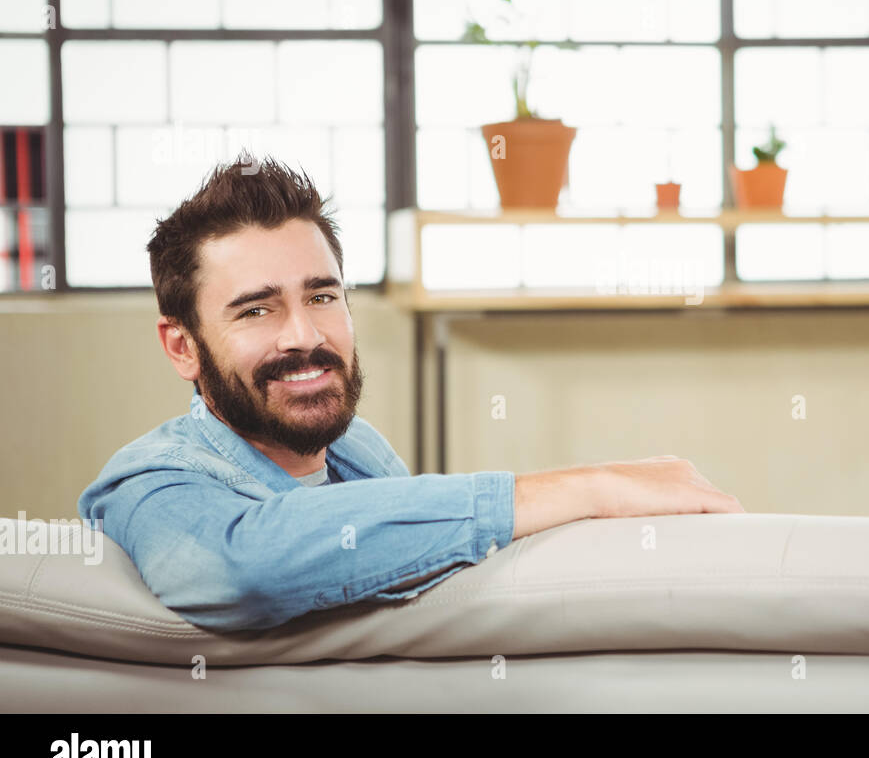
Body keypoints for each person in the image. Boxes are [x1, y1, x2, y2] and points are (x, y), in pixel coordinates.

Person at [78, 152, 743, 632]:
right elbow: (243, 568)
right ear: (182, 345)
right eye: (257, 310)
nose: (305, 335)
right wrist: (589, 487)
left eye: (322, 295)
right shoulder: (147, 483)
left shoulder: (358, 451)